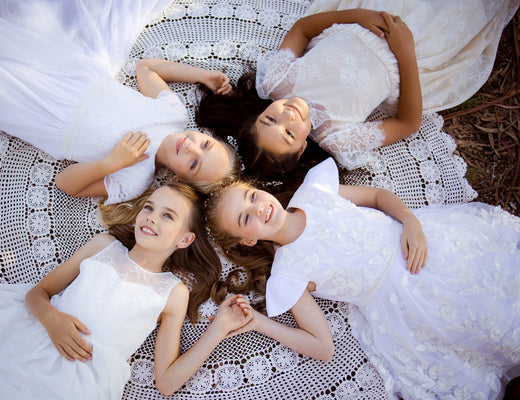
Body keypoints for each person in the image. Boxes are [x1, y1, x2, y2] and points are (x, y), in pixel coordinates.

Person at [204, 158, 520, 400]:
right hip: (404, 302)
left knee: (494, 276)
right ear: (247, 241)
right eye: (246, 218)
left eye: (251, 196)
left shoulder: (314, 193)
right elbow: (323, 347)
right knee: (482, 322)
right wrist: (260, 324)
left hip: (416, 242)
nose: (259, 209)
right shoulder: (288, 274)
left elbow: (378, 196)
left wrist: (410, 223)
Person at [0, 182, 253, 399]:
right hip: (35, 342)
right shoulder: (103, 247)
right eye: (149, 207)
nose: (150, 218)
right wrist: (53, 321)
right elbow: (38, 294)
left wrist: (218, 330)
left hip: (81, 381)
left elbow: (165, 382)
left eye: (168, 216)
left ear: (184, 240)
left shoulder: (172, 292)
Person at [0, 0, 239, 204]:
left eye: (194, 163)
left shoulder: (135, 178)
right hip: (76, 77)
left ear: (179, 178)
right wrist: (201, 75)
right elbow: (147, 68)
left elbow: (66, 184)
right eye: (205, 146)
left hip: (49, 120)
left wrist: (110, 163)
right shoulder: (174, 115)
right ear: (206, 136)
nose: (193, 148)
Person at [196, 2, 518, 181]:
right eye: (289, 134)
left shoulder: (277, 83)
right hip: (414, 47)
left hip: (372, 15)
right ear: (300, 151)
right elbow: (407, 124)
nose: (286, 117)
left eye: (270, 119)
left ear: (260, 110)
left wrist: (359, 16)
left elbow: (303, 28)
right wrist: (405, 52)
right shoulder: (337, 137)